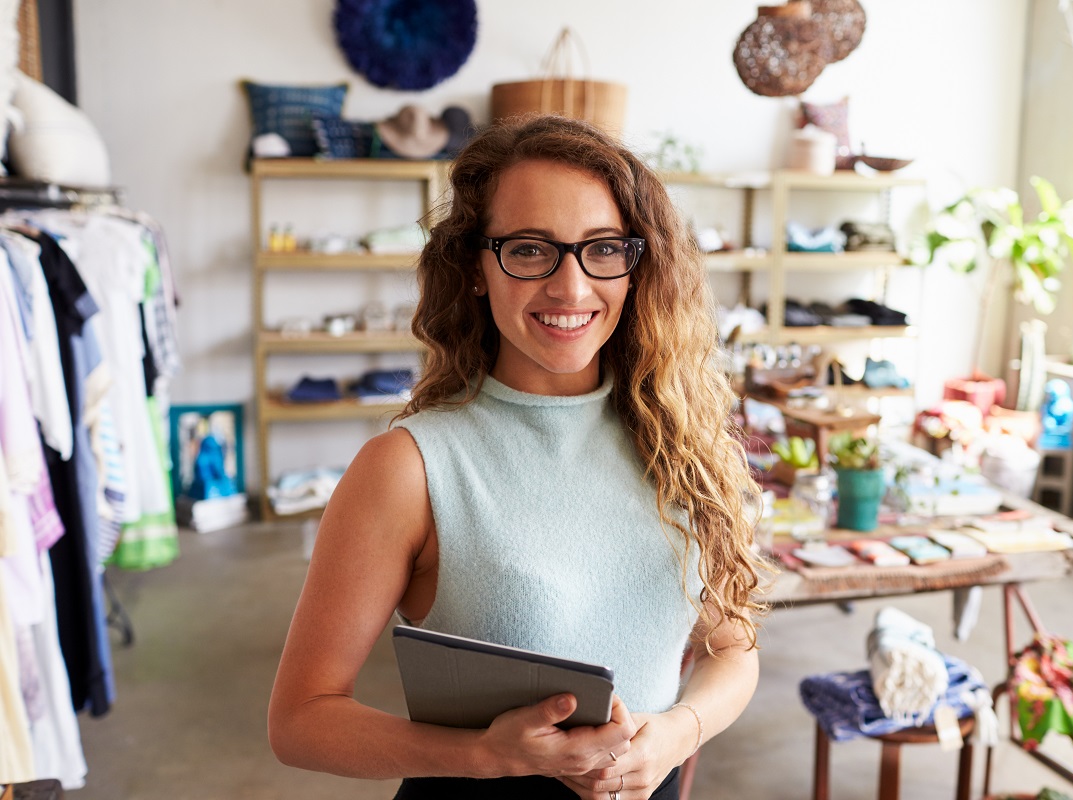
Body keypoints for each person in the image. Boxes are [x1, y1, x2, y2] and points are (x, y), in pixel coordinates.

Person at [268, 115, 768, 800]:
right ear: (476, 264)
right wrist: (484, 755)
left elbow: (733, 651)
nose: (570, 287)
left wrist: (677, 733)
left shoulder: (679, 443)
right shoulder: (409, 468)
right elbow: (300, 721)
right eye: (531, 250)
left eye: (602, 249)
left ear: (636, 264)